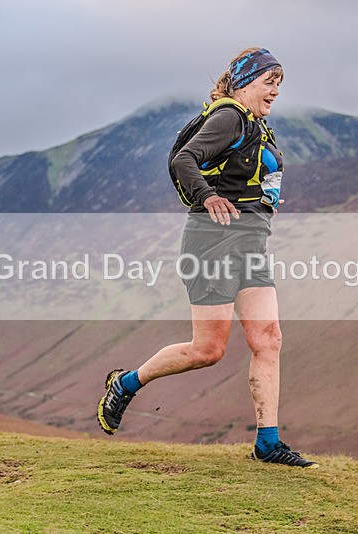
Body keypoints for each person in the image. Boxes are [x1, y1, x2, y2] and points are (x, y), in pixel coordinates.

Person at [97, 47, 317, 468]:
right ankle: (125, 383)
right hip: (211, 244)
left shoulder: (254, 125)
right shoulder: (229, 116)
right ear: (244, 80)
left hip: (249, 243)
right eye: (269, 81)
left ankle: (268, 443)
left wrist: (260, 200)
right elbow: (185, 159)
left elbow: (239, 175)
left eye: (280, 84)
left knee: (267, 339)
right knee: (208, 350)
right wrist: (208, 196)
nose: (275, 91)